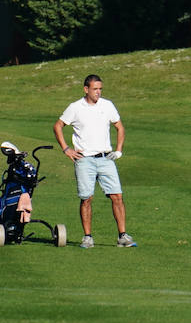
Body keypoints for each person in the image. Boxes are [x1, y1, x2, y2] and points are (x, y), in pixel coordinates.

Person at [53, 74, 136, 248]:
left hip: (106, 158)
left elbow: (119, 127)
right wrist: (66, 149)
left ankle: (122, 235)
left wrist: (119, 150)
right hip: (84, 160)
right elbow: (58, 126)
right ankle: (87, 237)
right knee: (87, 198)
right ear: (86, 89)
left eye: (100, 89)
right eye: (95, 89)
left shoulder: (107, 105)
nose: (98, 92)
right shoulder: (75, 107)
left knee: (117, 197)